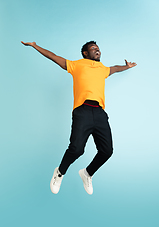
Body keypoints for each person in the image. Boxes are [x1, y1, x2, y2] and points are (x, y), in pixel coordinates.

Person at [21, 40, 137, 195]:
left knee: (107, 151)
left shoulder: (102, 68)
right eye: (93, 48)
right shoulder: (77, 65)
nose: (97, 50)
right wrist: (35, 46)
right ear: (85, 53)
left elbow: (115, 69)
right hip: (82, 111)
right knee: (76, 149)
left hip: (100, 113)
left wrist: (126, 67)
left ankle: (87, 173)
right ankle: (60, 172)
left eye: (98, 48)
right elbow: (54, 57)